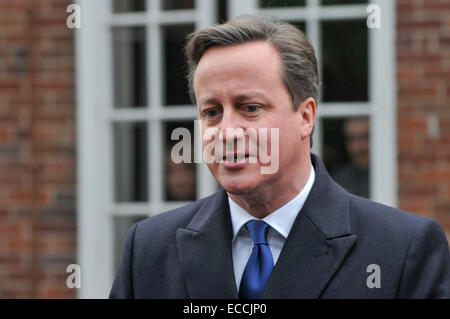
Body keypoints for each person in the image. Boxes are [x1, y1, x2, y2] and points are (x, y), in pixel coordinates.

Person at [109, 15, 450, 299]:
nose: (226, 132)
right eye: (211, 112)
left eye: (250, 108)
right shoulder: (149, 251)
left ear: (305, 117)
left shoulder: (403, 251)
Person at [333, 117, 370, 198]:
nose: (358, 147)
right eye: (352, 139)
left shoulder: (390, 176)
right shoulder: (339, 180)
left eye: (365, 137)